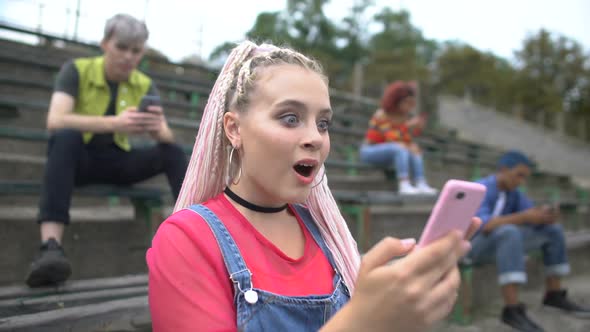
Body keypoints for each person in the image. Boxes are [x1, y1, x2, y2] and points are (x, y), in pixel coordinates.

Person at [146, 41, 480, 331]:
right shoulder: (186, 239)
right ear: (234, 129)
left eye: (323, 124)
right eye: (290, 118)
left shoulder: (327, 234)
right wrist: (364, 321)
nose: (315, 139)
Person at [25, 14, 187, 288]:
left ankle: (196, 234)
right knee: (64, 137)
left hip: (119, 161)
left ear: (142, 53)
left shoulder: (144, 84)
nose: (128, 56)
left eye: (135, 51)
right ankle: (50, 246)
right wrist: (115, 123)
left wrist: (157, 128)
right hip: (79, 162)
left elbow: (169, 137)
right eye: (121, 47)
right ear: (104, 44)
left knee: (171, 150)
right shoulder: (76, 70)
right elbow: (55, 120)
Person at [467, 150, 590, 332]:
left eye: (525, 178)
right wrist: (524, 217)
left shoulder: (513, 192)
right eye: (519, 176)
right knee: (509, 231)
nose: (521, 182)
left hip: (501, 243)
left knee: (552, 231)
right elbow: (483, 226)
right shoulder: (480, 188)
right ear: (503, 169)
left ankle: (554, 295)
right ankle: (512, 310)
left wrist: (543, 216)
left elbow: (528, 214)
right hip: (473, 247)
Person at [359, 81, 437, 195]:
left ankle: (420, 182)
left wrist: (416, 130)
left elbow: (404, 140)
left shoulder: (403, 117)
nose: (409, 106)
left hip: (392, 150)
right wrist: (407, 126)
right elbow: (390, 137)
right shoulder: (382, 114)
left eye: (411, 103)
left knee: (414, 148)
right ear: (396, 101)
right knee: (401, 148)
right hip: (369, 151)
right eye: (406, 102)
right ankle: (404, 183)